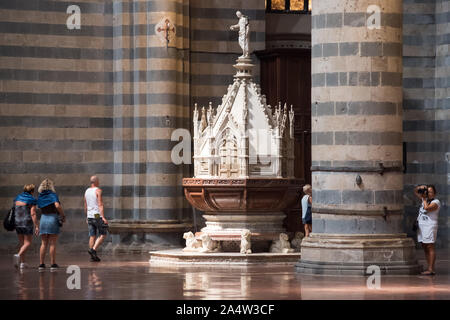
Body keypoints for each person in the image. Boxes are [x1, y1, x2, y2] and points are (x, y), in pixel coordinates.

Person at [37, 178, 66, 272]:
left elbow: (39, 208)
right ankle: (53, 264)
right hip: (52, 218)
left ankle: (41, 264)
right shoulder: (53, 195)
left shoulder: (40, 196)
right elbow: (57, 205)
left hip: (43, 219)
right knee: (52, 243)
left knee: (43, 243)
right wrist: (62, 214)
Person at [414, 185, 440, 275]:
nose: (428, 193)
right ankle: (429, 267)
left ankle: (431, 269)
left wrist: (424, 199)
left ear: (434, 193)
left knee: (430, 246)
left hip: (430, 226)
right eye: (427, 192)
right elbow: (415, 191)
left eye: (430, 192)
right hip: (421, 227)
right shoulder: (425, 199)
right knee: (424, 246)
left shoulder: (436, 202)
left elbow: (427, 208)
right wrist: (420, 187)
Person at [13, 184, 39, 269]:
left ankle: (23, 263)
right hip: (26, 223)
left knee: (22, 244)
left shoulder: (17, 198)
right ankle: (18, 255)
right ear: (32, 191)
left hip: (17, 223)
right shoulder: (32, 199)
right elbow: (33, 213)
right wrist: (36, 226)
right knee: (27, 242)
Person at [85, 176, 108, 262]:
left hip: (89, 215)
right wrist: (103, 217)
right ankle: (93, 249)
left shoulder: (86, 191)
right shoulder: (98, 190)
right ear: (96, 182)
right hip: (96, 215)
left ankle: (93, 256)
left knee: (92, 235)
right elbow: (100, 204)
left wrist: (86, 216)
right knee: (103, 233)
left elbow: (85, 205)